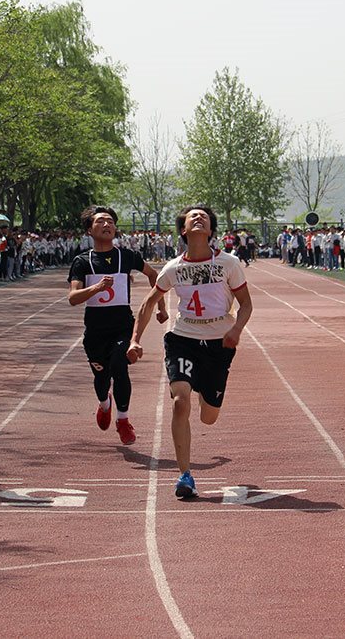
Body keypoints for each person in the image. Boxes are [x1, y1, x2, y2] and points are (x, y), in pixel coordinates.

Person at [128, 205, 252, 499]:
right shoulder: (174, 268)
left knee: (209, 416)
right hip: (182, 338)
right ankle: (185, 475)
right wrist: (135, 340)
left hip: (219, 343)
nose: (198, 218)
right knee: (179, 402)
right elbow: (148, 303)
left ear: (211, 230)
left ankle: (203, 391)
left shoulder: (229, 263)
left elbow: (246, 304)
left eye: (204, 217)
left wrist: (236, 330)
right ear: (183, 229)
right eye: (192, 216)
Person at [67, 205, 167, 446]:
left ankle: (123, 420)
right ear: (89, 230)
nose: (107, 224)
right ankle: (105, 404)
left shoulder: (126, 256)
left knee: (119, 366)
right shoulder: (82, 262)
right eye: (100, 221)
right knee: (102, 379)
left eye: (110, 221)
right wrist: (97, 288)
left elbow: (154, 275)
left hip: (123, 327)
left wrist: (161, 307)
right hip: (95, 333)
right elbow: (73, 298)